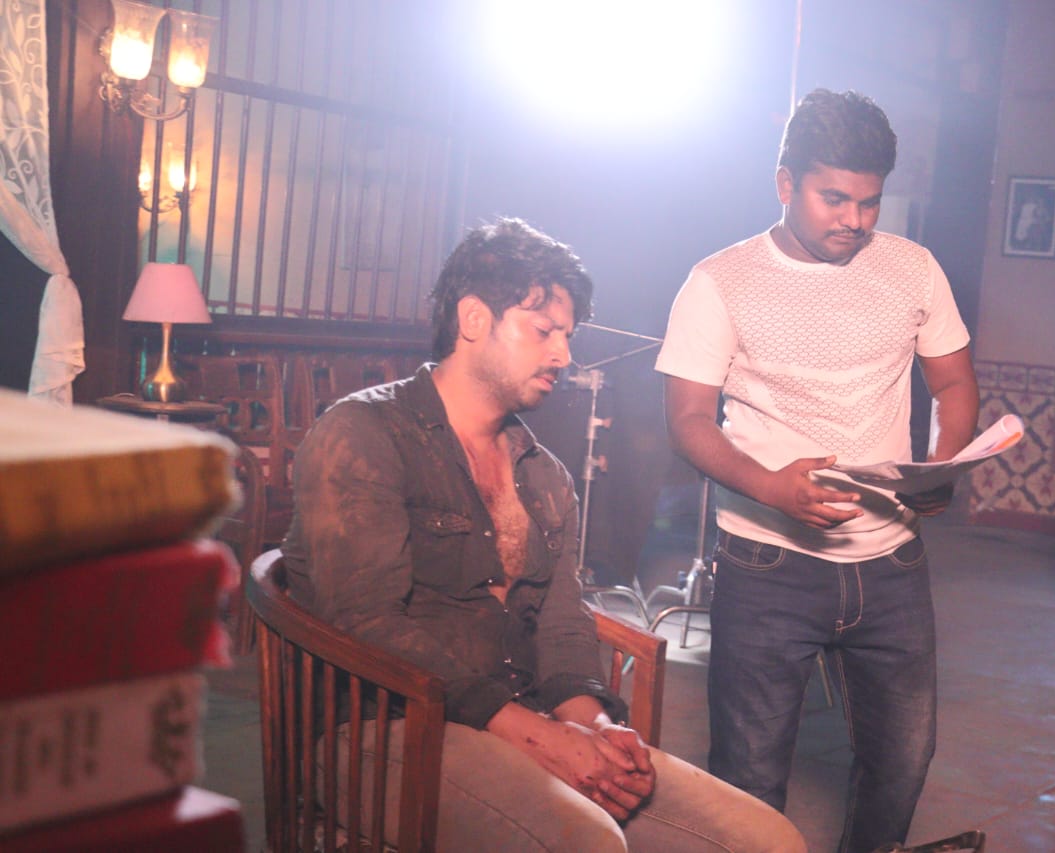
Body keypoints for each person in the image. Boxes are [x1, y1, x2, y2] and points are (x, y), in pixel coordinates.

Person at [282, 217, 806, 852]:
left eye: (567, 335)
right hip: (384, 726)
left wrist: (595, 725)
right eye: (543, 331)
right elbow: (363, 620)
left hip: (517, 714)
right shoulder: (365, 434)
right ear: (474, 319)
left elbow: (561, 623)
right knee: (587, 843)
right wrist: (537, 736)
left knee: (767, 839)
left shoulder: (544, 475)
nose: (563, 355)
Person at [655, 90, 980, 853]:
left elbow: (955, 384)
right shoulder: (719, 280)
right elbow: (688, 421)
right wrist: (772, 486)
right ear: (785, 183)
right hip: (766, 565)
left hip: (891, 563)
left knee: (903, 761)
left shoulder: (913, 268)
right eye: (834, 198)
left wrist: (940, 464)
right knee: (749, 778)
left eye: (870, 201)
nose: (855, 219)